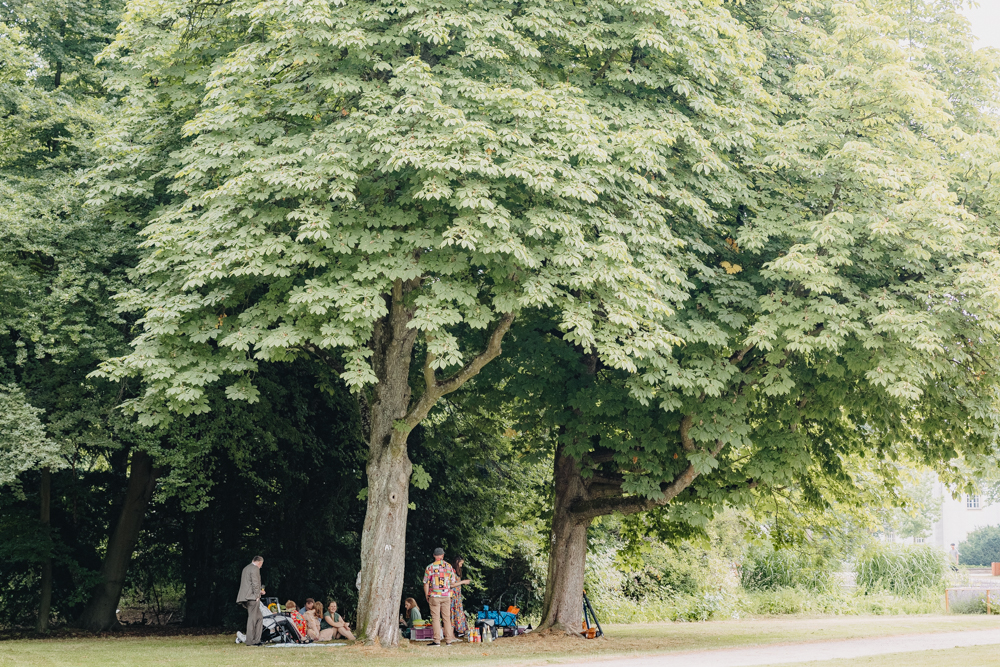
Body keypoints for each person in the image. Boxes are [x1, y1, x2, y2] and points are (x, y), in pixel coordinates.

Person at [423, 547, 458, 646]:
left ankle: (437, 640)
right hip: (446, 595)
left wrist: (427, 595)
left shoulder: (430, 567)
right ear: (443, 555)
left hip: (434, 595)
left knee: (436, 619)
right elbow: (452, 582)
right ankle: (448, 641)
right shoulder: (449, 567)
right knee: (446, 618)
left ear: (434, 555)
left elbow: (425, 583)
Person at [235, 555, 265, 646]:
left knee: (259, 617)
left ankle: (257, 639)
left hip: (245, 597)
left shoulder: (246, 568)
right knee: (252, 618)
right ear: (259, 562)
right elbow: (255, 583)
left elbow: (248, 584)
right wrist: (257, 595)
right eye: (261, 564)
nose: (261, 566)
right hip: (252, 597)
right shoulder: (255, 568)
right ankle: (250, 641)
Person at [450, 556, 472, 637]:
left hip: (457, 597)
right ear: (457, 562)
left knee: (456, 614)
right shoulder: (451, 571)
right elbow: (452, 585)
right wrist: (463, 582)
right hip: (453, 597)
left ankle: (456, 632)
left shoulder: (456, 572)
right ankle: (451, 634)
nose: (461, 565)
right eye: (461, 563)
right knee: (452, 615)